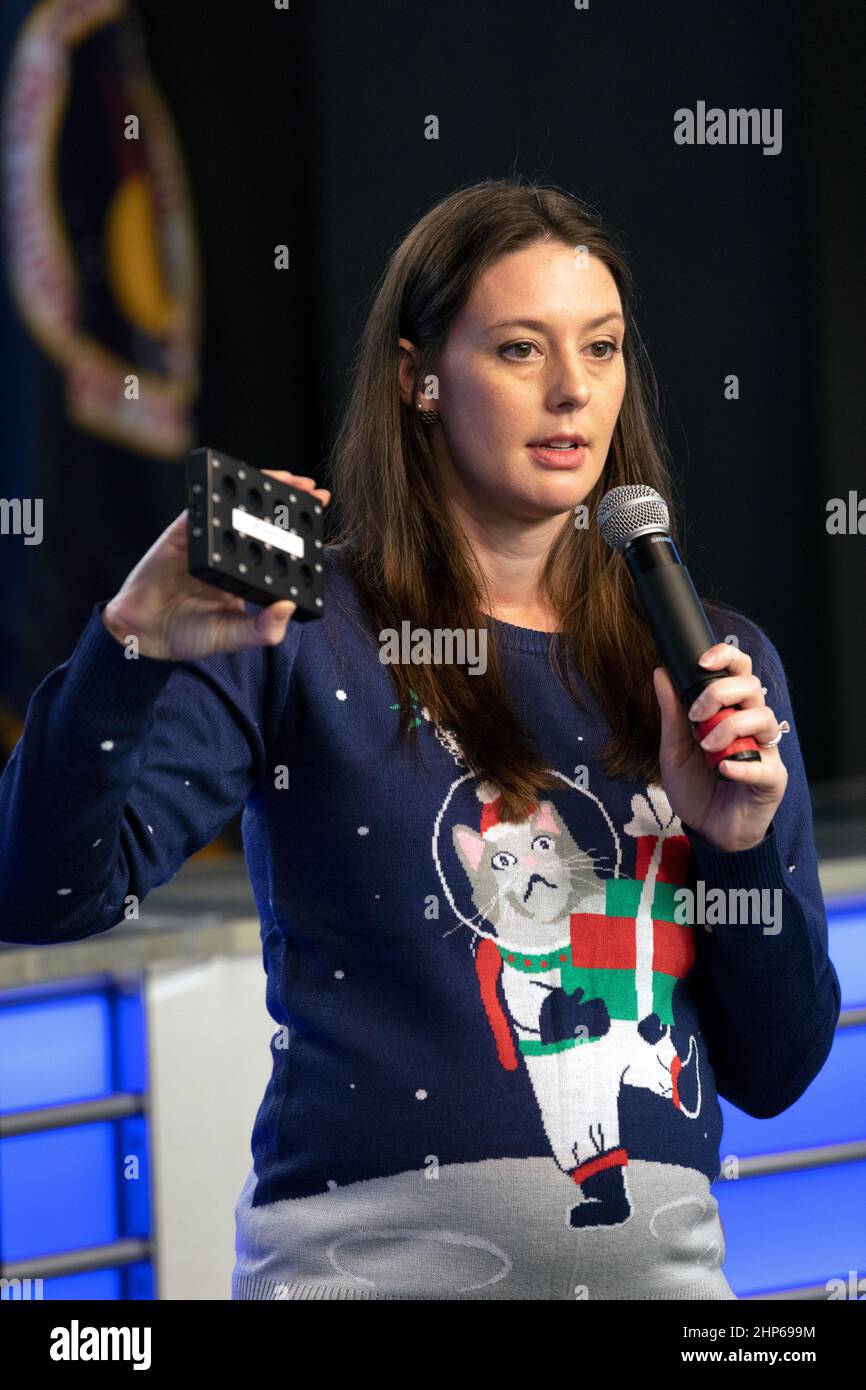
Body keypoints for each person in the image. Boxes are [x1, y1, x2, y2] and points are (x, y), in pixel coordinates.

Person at [0, 178, 841, 1301]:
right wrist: (127, 650)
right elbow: (42, 894)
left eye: (599, 349)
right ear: (419, 380)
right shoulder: (293, 621)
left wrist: (735, 841)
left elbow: (778, 1070)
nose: (570, 392)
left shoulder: (707, 663)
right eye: (516, 351)